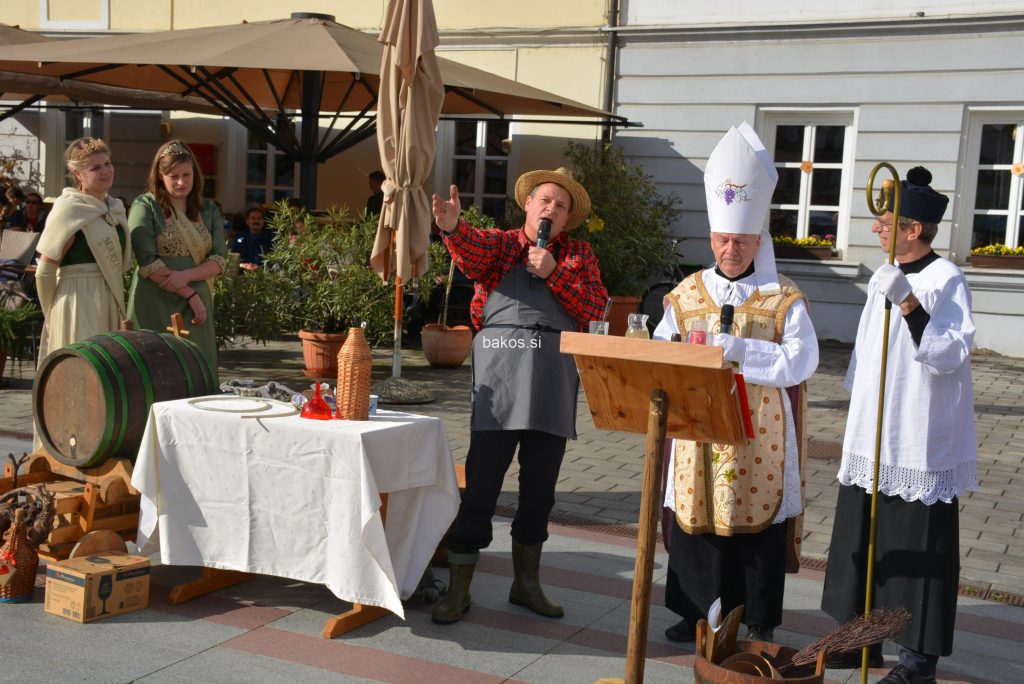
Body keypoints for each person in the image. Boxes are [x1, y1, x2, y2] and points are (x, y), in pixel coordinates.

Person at [653, 123, 819, 644]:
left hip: (758, 430)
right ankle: (693, 611)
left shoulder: (782, 297)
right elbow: (660, 349)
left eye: (742, 241)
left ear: (758, 240)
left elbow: (803, 360)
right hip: (698, 426)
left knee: (756, 518)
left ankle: (759, 616)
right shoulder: (686, 294)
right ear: (712, 238)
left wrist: (743, 351)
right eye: (724, 240)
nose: (731, 249)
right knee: (697, 512)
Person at [429, 168, 607, 625]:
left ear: (567, 219)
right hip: (501, 380)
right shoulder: (504, 245)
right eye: (545, 200)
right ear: (528, 204)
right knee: (481, 488)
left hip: (552, 381)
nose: (551, 209)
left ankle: (526, 585)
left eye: (561, 206)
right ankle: (459, 590)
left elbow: (595, 308)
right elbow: (473, 251)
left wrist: (554, 274)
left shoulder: (579, 256)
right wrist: (453, 227)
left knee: (539, 493)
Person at [821, 167, 976, 684]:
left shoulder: (946, 278)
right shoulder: (884, 274)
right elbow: (868, 349)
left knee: (918, 545)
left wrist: (908, 301)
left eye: (885, 222)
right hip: (874, 429)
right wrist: (859, 403)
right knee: (865, 538)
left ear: (914, 229)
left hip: (917, 435)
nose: (875, 228)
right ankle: (856, 641)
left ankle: (916, 663)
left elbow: (950, 353)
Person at [127, 140, 226, 377]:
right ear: (160, 176)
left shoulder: (208, 209)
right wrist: (189, 293)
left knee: (195, 369)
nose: (181, 182)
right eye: (174, 176)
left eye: (186, 175)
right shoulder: (146, 205)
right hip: (154, 298)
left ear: (195, 174)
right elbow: (146, 260)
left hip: (197, 304)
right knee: (152, 369)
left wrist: (186, 278)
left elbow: (219, 258)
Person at [34, 138, 131, 363]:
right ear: (78, 174)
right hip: (78, 301)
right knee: (84, 368)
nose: (106, 171)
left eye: (107, 163)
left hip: (109, 298)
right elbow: (44, 272)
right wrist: (52, 316)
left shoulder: (115, 208)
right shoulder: (69, 209)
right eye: (96, 168)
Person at [230, 203, 273, 269]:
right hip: (242, 272)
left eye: (259, 218)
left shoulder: (271, 238)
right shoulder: (239, 237)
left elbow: (274, 261)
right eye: (253, 218)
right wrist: (242, 265)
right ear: (247, 221)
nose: (256, 221)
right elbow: (232, 258)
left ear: (263, 221)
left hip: (263, 273)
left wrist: (259, 268)